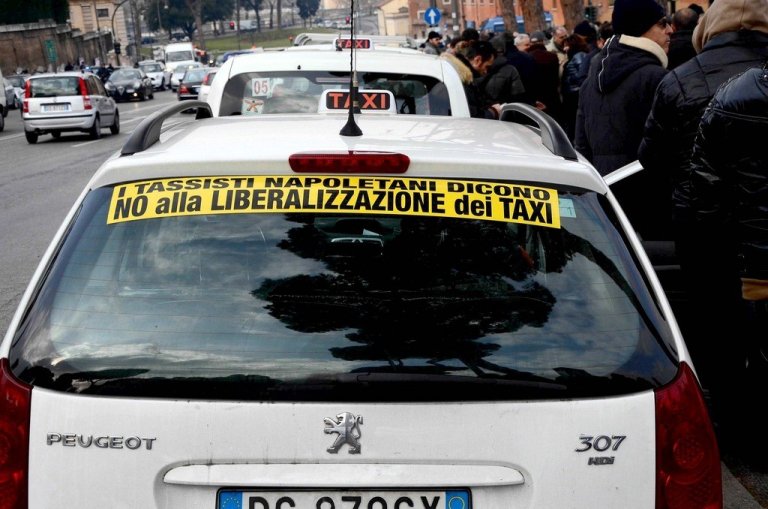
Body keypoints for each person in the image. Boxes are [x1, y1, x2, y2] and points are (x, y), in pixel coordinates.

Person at [637, 0, 768, 439]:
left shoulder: (680, 79)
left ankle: (733, 426)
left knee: (717, 332)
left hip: (707, 236)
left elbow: (651, 159)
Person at [689, 63, 768, 462]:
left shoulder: (732, 95)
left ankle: (749, 443)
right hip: (749, 257)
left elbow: (705, 187)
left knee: (749, 357)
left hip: (751, 263)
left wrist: (716, 252)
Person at [574, 0, 672, 177]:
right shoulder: (656, 78)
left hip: (605, 187)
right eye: (662, 23)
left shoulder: (591, 81)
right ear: (640, 26)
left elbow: (581, 147)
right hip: (648, 188)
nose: (670, 30)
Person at [441, 40, 501, 118]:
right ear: (478, 60)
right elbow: (473, 116)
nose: (486, 71)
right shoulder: (463, 80)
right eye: (487, 67)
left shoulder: (457, 73)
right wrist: (493, 111)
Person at [527, 31, 563, 121]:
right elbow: (556, 78)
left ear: (530, 43)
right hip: (552, 96)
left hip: (535, 100)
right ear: (543, 41)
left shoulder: (526, 57)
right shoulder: (552, 56)